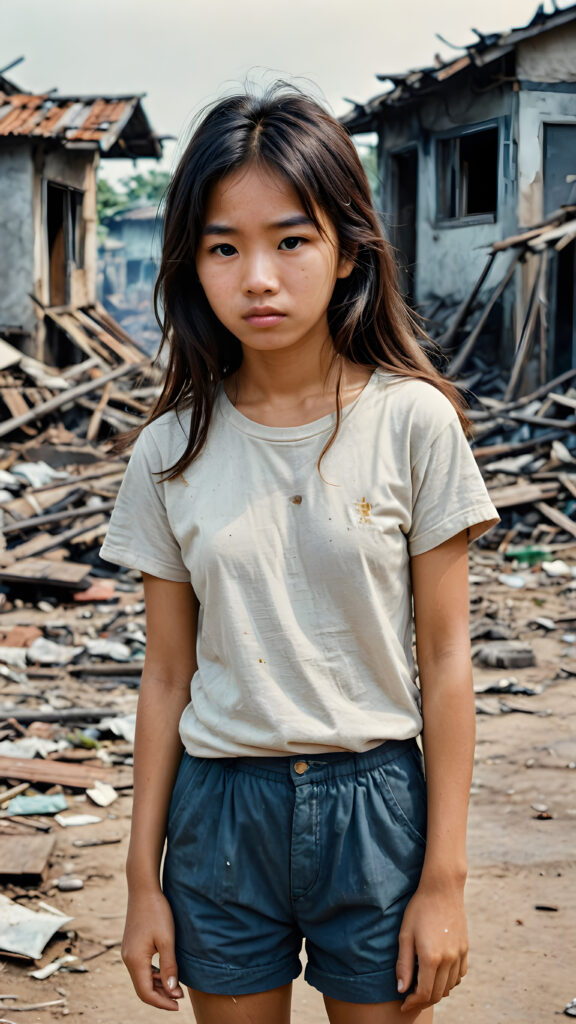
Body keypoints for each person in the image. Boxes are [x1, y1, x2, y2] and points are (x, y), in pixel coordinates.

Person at [98, 85, 500, 1024]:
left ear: (348, 247)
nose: (259, 278)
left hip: (377, 807)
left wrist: (443, 878)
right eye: (223, 248)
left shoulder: (413, 423)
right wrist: (139, 883)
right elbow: (165, 677)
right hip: (220, 814)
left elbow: (445, 664)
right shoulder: (171, 449)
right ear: (192, 264)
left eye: (291, 239)